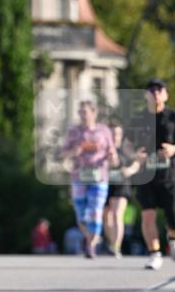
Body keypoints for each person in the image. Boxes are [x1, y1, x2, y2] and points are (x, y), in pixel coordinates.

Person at [135, 78, 175, 270]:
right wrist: (135, 155)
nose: (155, 92)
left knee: (173, 215)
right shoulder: (138, 118)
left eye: (160, 89)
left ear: (166, 94)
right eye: (151, 89)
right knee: (147, 215)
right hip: (147, 174)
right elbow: (127, 145)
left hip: (171, 174)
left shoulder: (174, 117)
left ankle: (173, 237)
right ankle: (154, 253)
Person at [60, 100, 117, 259]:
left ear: (94, 113)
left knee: (95, 210)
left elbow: (113, 153)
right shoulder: (74, 132)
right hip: (79, 176)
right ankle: (89, 237)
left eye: (85, 112)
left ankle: (91, 245)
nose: (83, 115)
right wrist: (74, 151)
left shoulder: (104, 131)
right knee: (81, 214)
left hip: (100, 177)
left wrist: (112, 157)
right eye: (80, 112)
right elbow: (63, 153)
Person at [104, 123, 140, 258]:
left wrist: (129, 171)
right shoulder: (105, 149)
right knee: (107, 217)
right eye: (112, 134)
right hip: (107, 185)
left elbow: (137, 162)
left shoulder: (127, 149)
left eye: (117, 134)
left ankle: (116, 246)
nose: (115, 137)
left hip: (122, 185)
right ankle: (111, 242)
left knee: (117, 214)